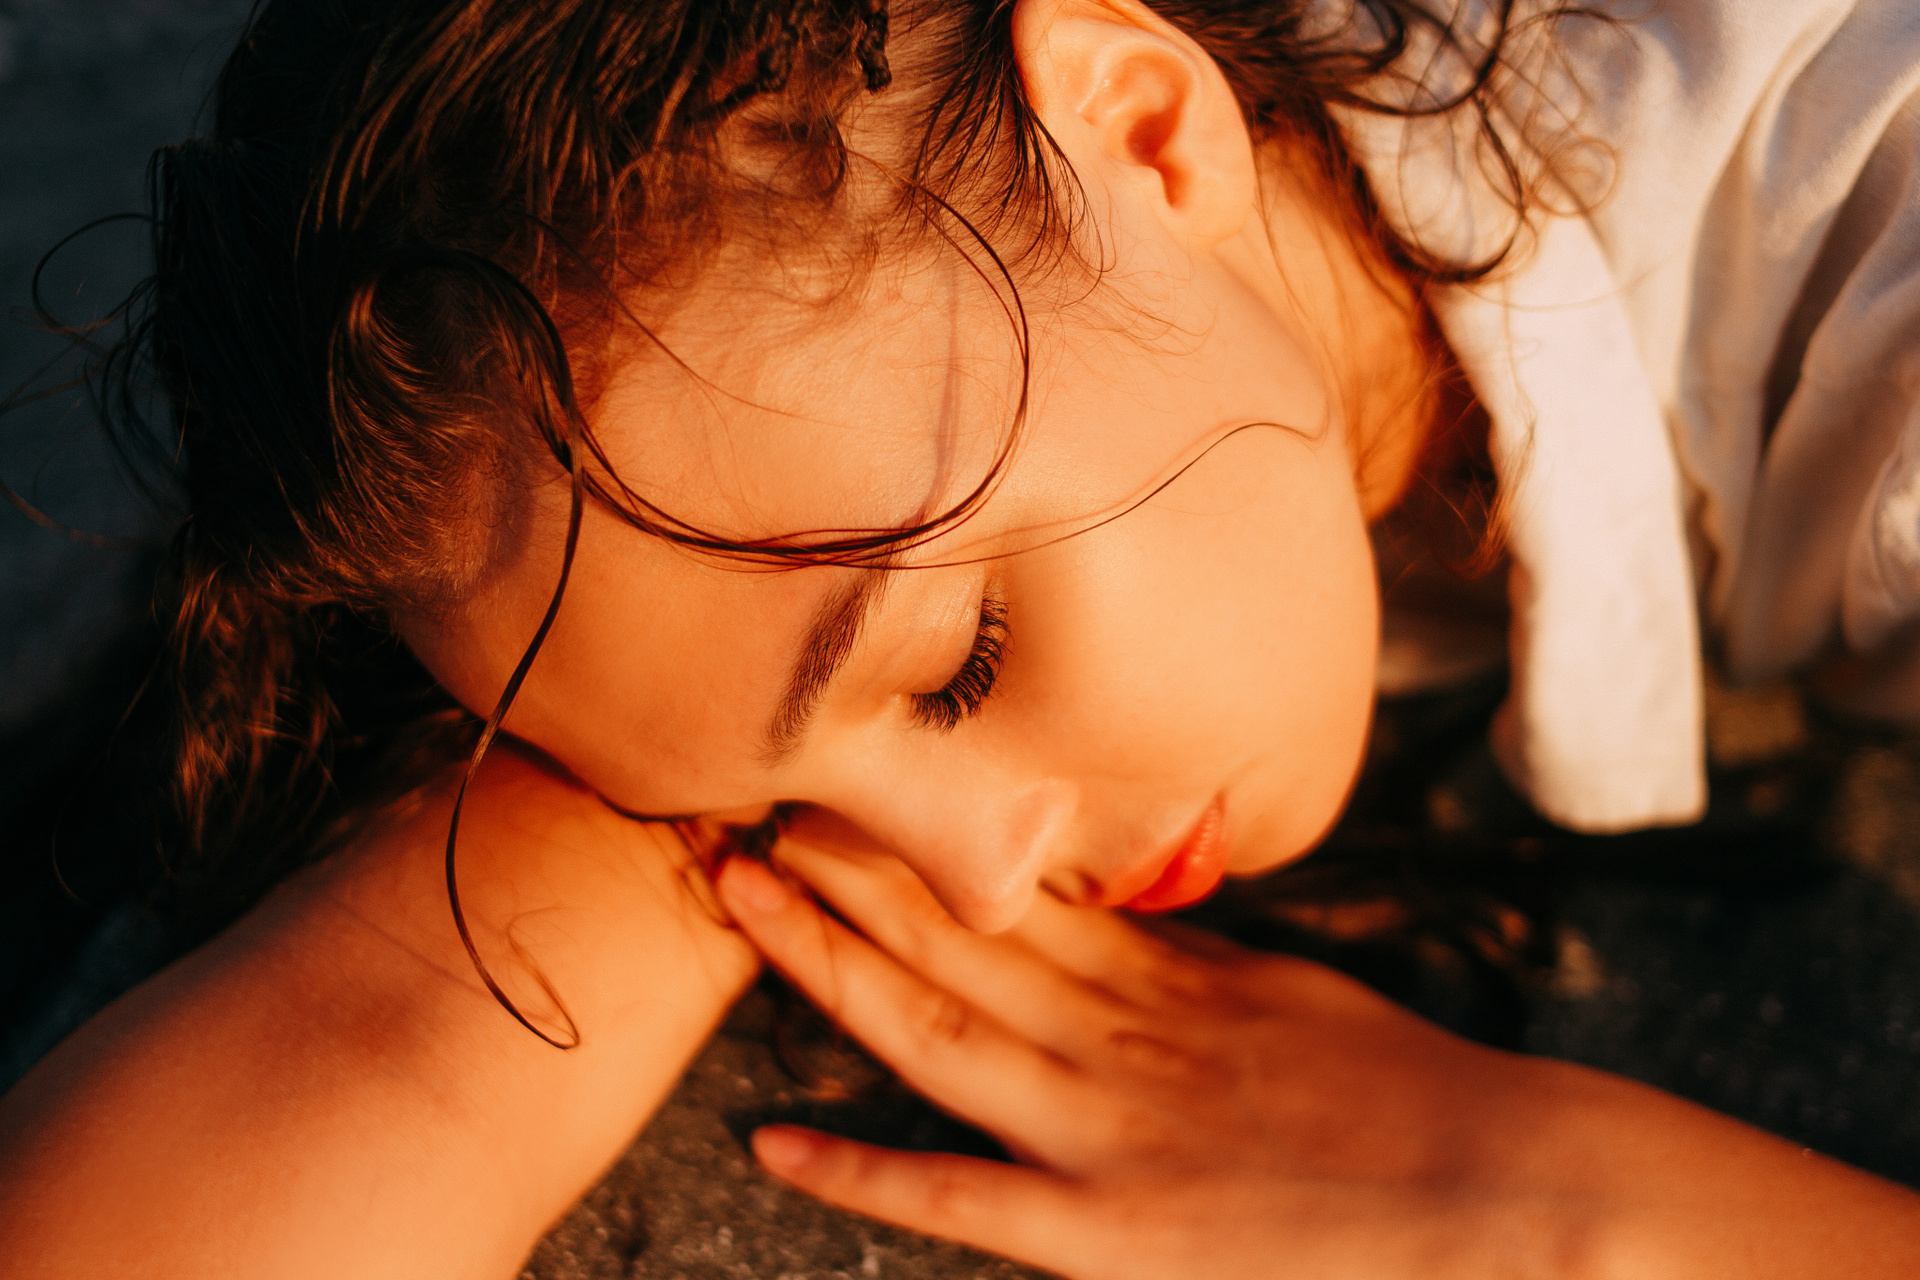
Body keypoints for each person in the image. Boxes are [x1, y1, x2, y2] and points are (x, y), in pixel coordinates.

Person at [1, 0, 1917, 1275]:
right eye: (759, 799)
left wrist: (1564, 1213)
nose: (980, 891)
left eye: (959, 664)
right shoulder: (923, 294)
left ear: (1143, 129)